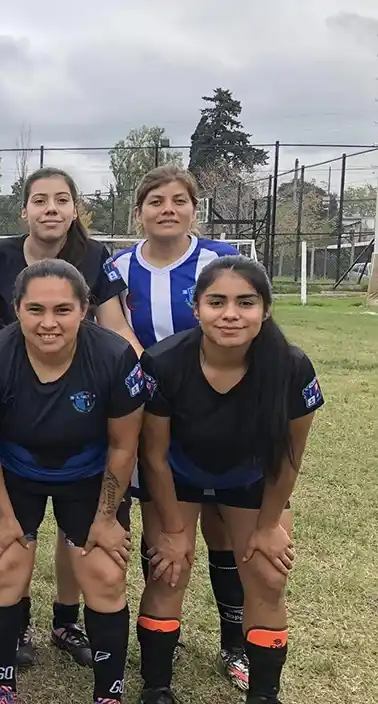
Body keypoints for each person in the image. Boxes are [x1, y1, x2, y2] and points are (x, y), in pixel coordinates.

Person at [135, 255, 321, 704]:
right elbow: (154, 456)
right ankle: (156, 688)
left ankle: (263, 694)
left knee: (267, 575)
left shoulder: (292, 367)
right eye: (217, 302)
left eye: (246, 302)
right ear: (196, 307)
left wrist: (267, 525)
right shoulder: (164, 361)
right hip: (178, 476)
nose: (231, 314)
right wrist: (175, 531)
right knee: (168, 570)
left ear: (266, 309)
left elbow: (288, 456)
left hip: (249, 477)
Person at [0, 166, 142, 667]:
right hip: (18, 418)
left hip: (83, 420)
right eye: (40, 199)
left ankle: (68, 623)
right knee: (8, 558)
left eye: (61, 199)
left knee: (96, 557)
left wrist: (140, 384)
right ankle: (6, 664)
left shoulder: (95, 261)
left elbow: (119, 331)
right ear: (24, 208)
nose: (51, 208)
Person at [0, 259, 145, 704]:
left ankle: (109, 692)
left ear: (84, 309)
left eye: (63, 310)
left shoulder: (113, 356)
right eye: (36, 310)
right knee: (5, 564)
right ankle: (2, 684)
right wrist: (3, 517)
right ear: (17, 309)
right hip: (15, 472)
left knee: (104, 572)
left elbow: (123, 446)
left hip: (87, 474)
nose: (49, 323)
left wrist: (107, 517)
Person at [103, 165, 248, 690]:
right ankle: (162, 633)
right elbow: (116, 332)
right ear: (138, 211)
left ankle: (236, 645)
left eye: (179, 200)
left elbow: (246, 331)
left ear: (194, 208)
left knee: (223, 524)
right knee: (165, 520)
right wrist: (162, 380)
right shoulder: (118, 267)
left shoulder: (221, 261)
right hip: (152, 409)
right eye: (156, 201)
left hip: (219, 411)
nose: (167, 209)